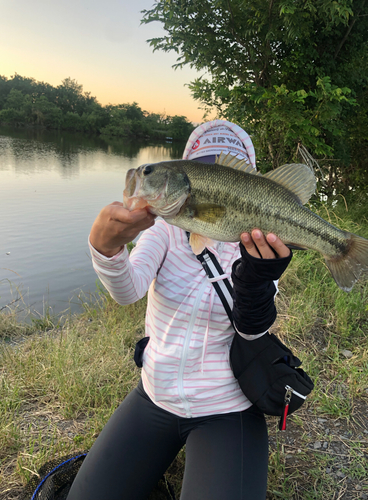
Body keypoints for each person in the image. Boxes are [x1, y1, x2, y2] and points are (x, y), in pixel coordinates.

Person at [67, 120, 291, 500]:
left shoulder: (260, 244)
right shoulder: (164, 230)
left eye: (228, 171)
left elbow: (252, 331)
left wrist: (255, 282)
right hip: (155, 395)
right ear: (189, 175)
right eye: (206, 169)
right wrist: (106, 249)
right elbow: (128, 290)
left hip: (229, 407)